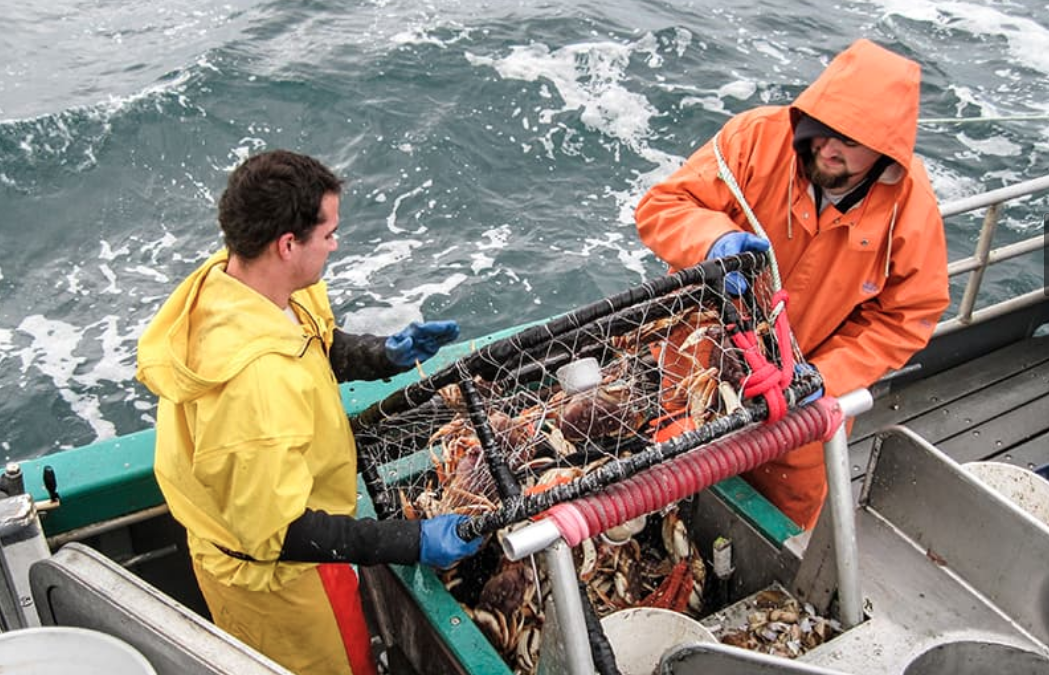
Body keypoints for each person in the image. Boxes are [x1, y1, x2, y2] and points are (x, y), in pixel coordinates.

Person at [136, 149, 482, 675]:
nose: (336, 243)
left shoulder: (242, 282)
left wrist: (382, 354)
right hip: (283, 585)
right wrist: (413, 541)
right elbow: (283, 534)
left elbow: (312, 343)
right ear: (287, 243)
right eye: (328, 233)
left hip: (264, 531)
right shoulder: (252, 388)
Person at [635, 39, 950, 529]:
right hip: (692, 360)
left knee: (778, 525)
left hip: (798, 398)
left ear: (884, 152)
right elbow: (661, 206)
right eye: (820, 128)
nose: (826, 147)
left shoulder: (910, 208)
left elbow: (908, 315)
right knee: (650, 493)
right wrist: (715, 240)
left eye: (848, 141)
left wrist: (826, 377)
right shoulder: (756, 138)